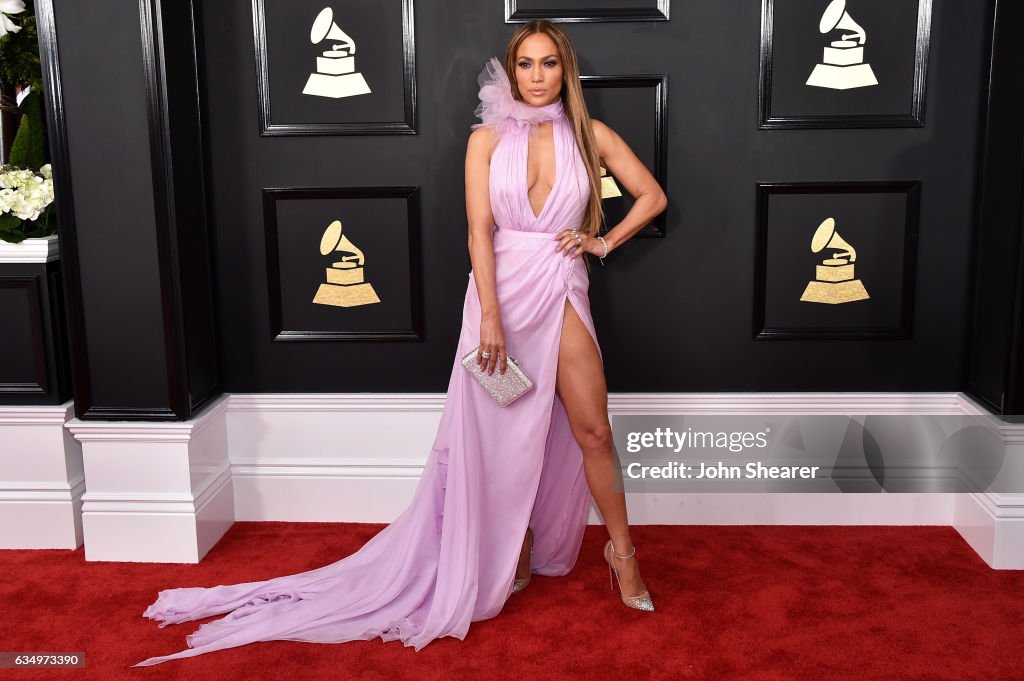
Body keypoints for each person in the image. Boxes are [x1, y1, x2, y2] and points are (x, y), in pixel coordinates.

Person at [132, 20, 667, 667]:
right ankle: (513, 547)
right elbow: (477, 233)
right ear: (511, 69)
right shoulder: (485, 140)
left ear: (565, 70)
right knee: (500, 437)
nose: (535, 75)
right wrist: (489, 316)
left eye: (548, 63)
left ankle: (622, 554)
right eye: (524, 63)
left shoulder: (591, 136)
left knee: (592, 431)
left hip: (559, 286)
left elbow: (652, 195)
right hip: (498, 300)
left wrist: (600, 241)